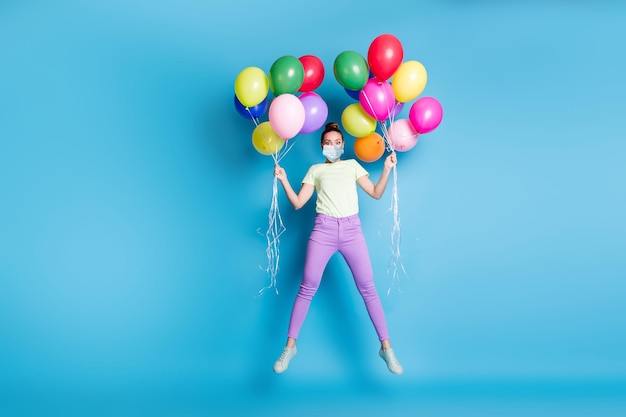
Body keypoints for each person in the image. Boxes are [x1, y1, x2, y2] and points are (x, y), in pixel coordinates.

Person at [272, 121, 403, 375]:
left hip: (352, 231)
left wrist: (386, 169)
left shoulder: (352, 166)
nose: (333, 146)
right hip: (323, 230)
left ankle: (386, 349)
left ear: (343, 145)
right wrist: (284, 180)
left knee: (368, 288)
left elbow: (376, 193)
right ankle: (290, 347)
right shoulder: (315, 170)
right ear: (322, 147)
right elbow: (299, 203)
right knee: (307, 286)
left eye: (337, 143)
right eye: (328, 143)